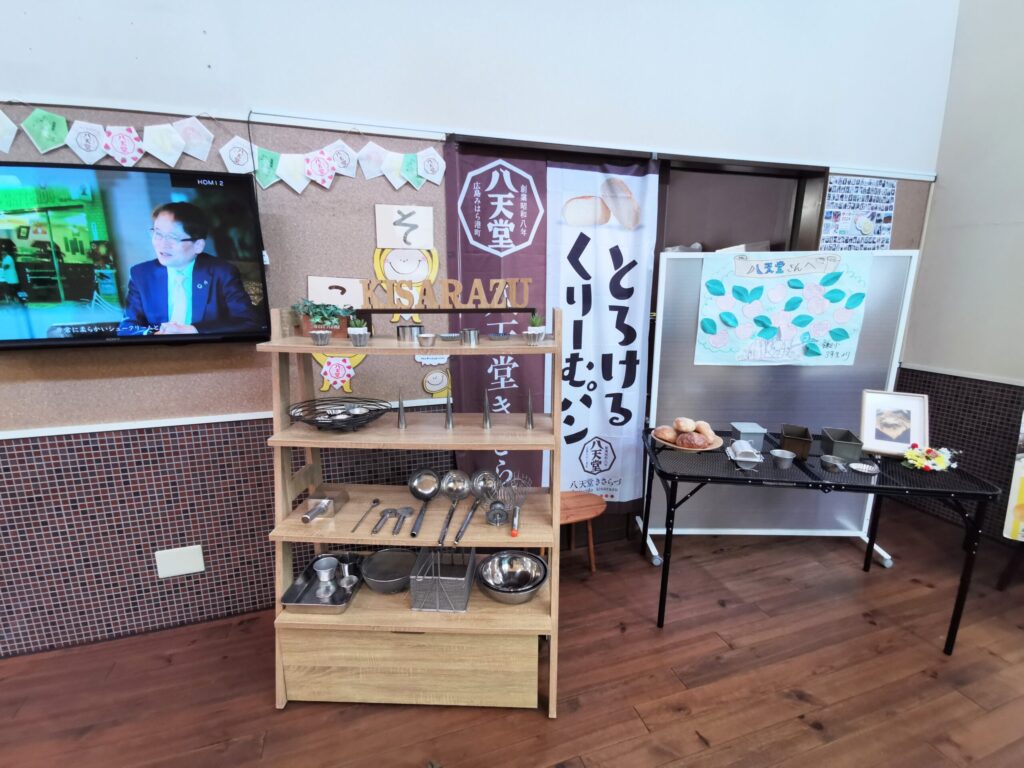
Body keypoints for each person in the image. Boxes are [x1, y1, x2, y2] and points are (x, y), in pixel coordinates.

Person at [118, 202, 263, 336]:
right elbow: (127, 327)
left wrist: (192, 330)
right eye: (158, 234)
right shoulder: (141, 274)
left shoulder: (222, 273)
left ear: (198, 245)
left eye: (173, 237)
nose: (162, 244)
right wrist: (154, 336)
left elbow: (248, 322)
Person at [1, 239, 21, 303]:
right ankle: (10, 298)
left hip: (11, 279)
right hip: (8, 278)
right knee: (9, 288)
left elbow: (6, 267)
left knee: (12, 289)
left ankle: (14, 298)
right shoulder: (4, 258)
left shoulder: (8, 258)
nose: (2, 254)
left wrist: (1, 266)